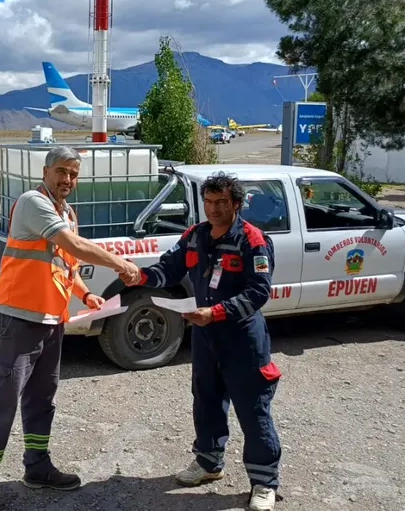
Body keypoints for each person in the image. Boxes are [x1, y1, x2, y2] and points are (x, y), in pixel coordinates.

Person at [0, 145, 141, 511]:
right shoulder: (34, 202)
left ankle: (38, 468)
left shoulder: (67, 212)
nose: (68, 180)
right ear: (46, 171)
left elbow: (65, 261)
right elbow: (73, 244)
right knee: (3, 401)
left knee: (42, 399)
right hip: (18, 318)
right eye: (62, 171)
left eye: (74, 174)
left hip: (51, 320)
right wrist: (119, 264)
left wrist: (86, 293)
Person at [120, 171, 283, 511]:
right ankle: (209, 463)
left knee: (253, 410)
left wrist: (218, 312)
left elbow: (258, 292)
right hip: (206, 338)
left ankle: (264, 482)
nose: (213, 209)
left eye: (221, 202)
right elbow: (170, 268)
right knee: (206, 401)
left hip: (243, 340)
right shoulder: (195, 236)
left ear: (236, 204)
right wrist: (140, 276)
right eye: (208, 202)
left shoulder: (253, 241)